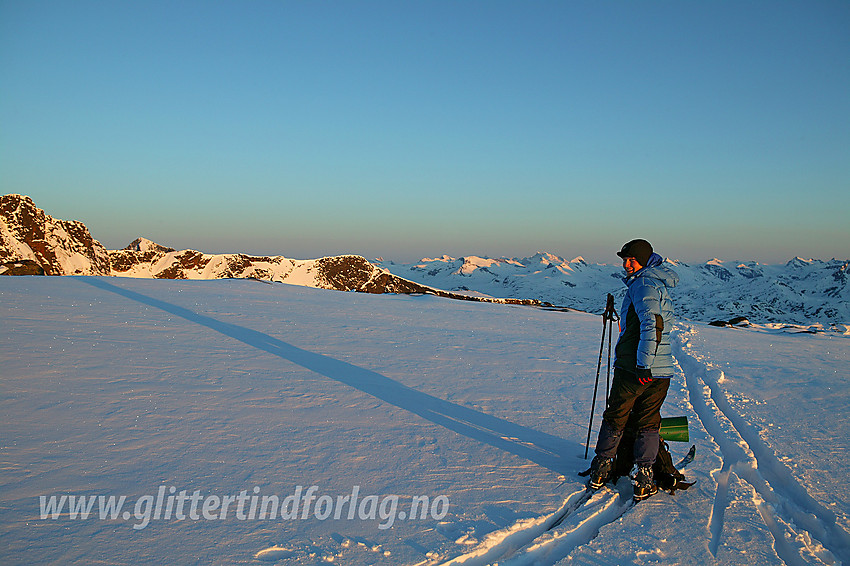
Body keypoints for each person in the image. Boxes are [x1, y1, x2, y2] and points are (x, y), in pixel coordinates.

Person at [588, 239, 679, 501]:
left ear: (644, 260)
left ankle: (602, 467)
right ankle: (644, 475)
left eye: (632, 260)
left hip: (636, 368)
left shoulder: (643, 284)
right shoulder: (656, 282)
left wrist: (642, 364)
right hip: (660, 372)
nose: (627, 264)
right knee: (648, 422)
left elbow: (652, 326)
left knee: (616, 415)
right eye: (624, 260)